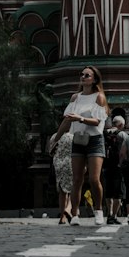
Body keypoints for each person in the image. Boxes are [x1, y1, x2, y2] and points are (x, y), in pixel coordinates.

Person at [47, 66, 108, 224]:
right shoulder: (75, 97)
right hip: (78, 140)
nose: (83, 77)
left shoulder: (99, 97)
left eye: (87, 75)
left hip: (94, 140)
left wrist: (80, 118)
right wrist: (56, 139)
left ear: (94, 79)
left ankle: (99, 210)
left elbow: (97, 121)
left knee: (94, 179)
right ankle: (74, 214)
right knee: (77, 179)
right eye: (81, 74)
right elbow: (67, 121)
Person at [102, 116, 126, 225]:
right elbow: (123, 153)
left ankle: (109, 213)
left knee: (108, 191)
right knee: (118, 192)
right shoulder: (122, 135)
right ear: (121, 125)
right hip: (118, 167)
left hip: (106, 166)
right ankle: (114, 215)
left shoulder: (104, 134)